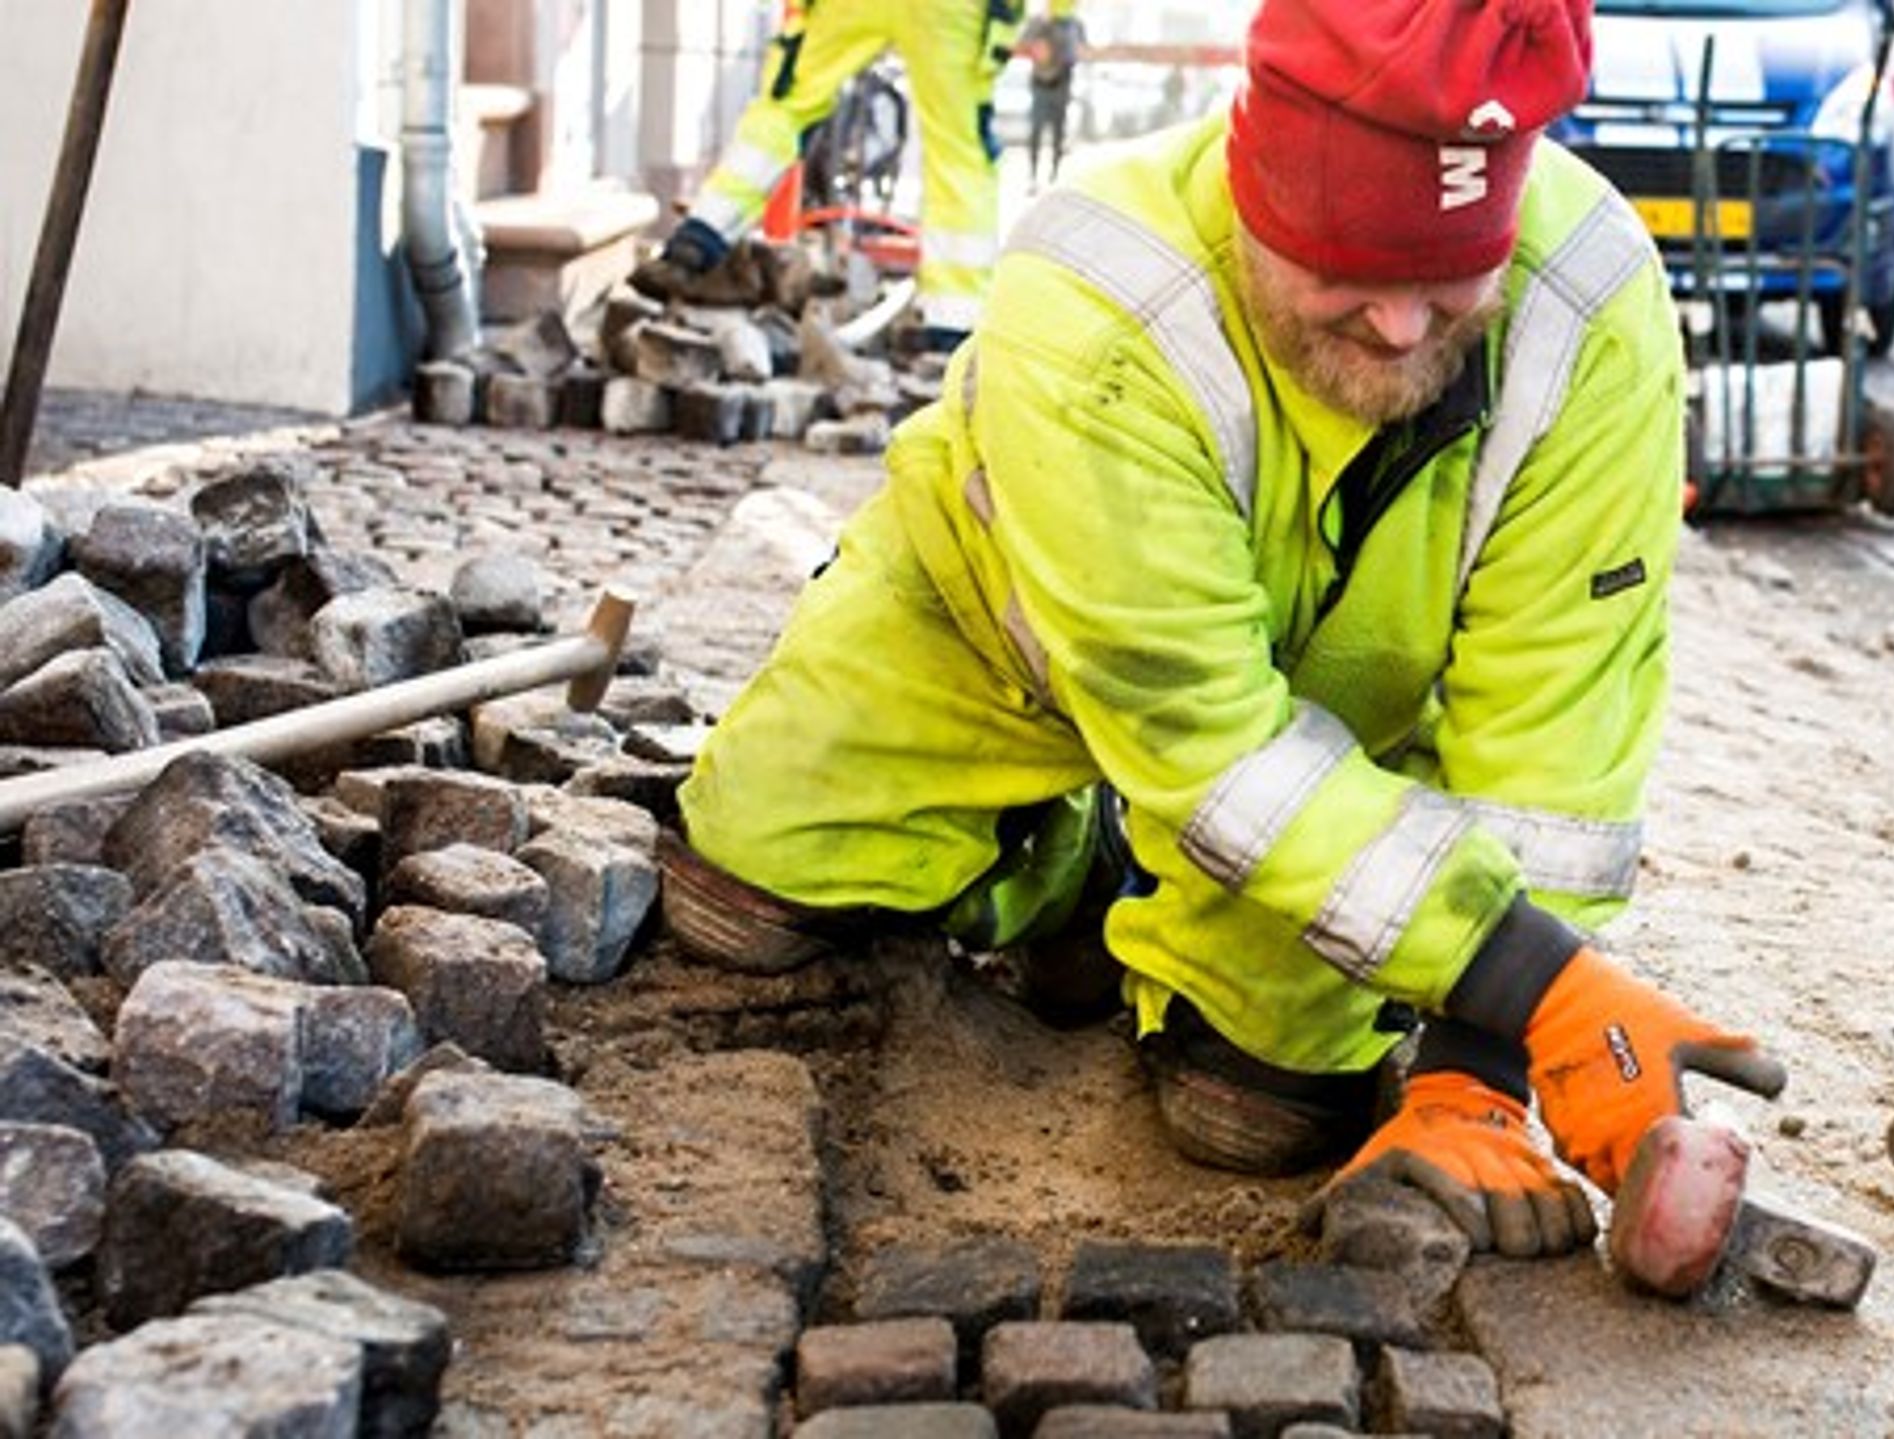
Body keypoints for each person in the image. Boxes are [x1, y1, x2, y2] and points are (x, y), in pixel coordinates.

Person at [662, 0, 1783, 1260]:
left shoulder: (1588, 305)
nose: (1406, 328)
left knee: (1250, 1112)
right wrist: (1537, 979)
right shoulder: (1099, 294)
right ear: (1257, 189)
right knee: (740, 900)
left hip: (1337, 739)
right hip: (993, 639)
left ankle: (1185, 934)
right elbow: (1195, 724)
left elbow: (1557, 719)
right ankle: (1065, 867)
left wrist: (1475, 1071)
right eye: (1352, 271)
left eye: (1447, 277)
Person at [633, 0, 1026, 347]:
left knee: (786, 108)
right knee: (958, 153)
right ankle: (953, 322)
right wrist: (1060, 17)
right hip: (952, 11)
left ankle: (702, 234)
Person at [1017, 2, 1084, 188]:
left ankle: (1054, 177)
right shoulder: (1038, 22)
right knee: (1036, 132)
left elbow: (1078, 52)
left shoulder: (1073, 25)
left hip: (1062, 85)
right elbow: (1024, 44)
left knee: (1058, 134)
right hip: (1040, 86)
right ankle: (1032, 177)